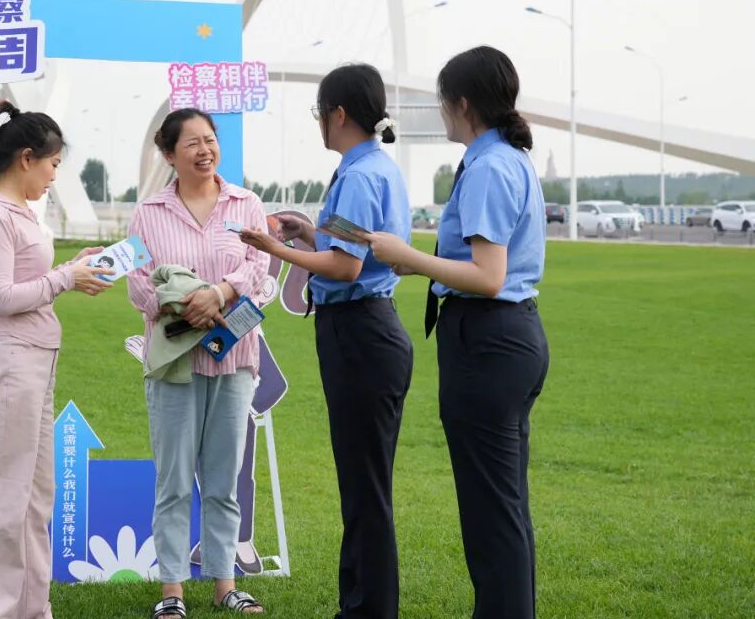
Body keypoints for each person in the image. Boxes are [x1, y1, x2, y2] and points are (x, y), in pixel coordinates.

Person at [365, 46, 549, 619]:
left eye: (442, 101)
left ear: (462, 104)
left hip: (489, 342)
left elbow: (488, 277)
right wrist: (417, 260)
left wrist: (409, 257)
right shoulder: (509, 158)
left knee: (492, 513)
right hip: (509, 338)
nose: (441, 111)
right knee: (505, 508)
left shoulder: (489, 167)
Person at [239, 63, 413, 619]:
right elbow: (351, 249)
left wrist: (275, 247)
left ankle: (367, 609)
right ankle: (360, 604)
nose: (318, 122)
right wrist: (307, 233)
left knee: (364, 488)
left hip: (360, 332)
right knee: (363, 484)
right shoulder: (369, 168)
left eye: (319, 112)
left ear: (337, 114)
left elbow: (344, 267)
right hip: (367, 330)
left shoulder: (358, 176)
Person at [0, 100, 113, 619]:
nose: (54, 176)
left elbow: (26, 281)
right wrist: (66, 278)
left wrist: (72, 267)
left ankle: (29, 609)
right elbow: (2, 297)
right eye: (53, 164)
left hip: (34, 360)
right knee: (2, 495)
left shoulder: (18, 213)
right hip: (9, 362)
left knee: (34, 495)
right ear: (27, 158)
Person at [126, 108, 268, 618]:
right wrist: (184, 306)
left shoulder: (246, 204)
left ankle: (225, 584)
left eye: (210, 140)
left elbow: (259, 264)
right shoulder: (148, 213)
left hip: (234, 360)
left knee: (224, 480)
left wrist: (221, 292)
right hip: (174, 363)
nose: (205, 150)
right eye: (192, 143)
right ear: (169, 155)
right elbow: (137, 280)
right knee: (174, 482)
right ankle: (172, 592)